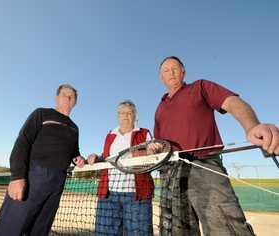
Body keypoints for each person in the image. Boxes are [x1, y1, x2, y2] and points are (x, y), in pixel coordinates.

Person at [151, 56, 279, 235]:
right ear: (161, 78)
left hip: (204, 168)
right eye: (166, 70)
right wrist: (154, 148)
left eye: (175, 68)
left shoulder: (200, 87)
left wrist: (252, 126)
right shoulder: (159, 108)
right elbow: (159, 143)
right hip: (170, 175)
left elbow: (233, 102)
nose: (171, 72)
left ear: (183, 72)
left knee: (225, 228)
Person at [0, 84, 85, 236]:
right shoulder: (41, 113)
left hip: (59, 181)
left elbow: (74, 152)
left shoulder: (75, 128)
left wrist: (78, 158)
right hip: (34, 175)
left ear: (75, 102)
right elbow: (23, 141)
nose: (68, 98)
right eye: (64, 94)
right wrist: (17, 176)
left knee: (40, 230)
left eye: (72, 96)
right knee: (11, 228)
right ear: (57, 97)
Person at [87, 100, 154, 236]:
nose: (125, 115)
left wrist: (141, 153)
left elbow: (153, 154)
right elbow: (107, 157)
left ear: (135, 116)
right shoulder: (110, 135)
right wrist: (96, 157)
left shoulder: (144, 133)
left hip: (136, 196)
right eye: (122, 112)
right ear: (118, 115)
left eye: (129, 113)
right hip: (109, 195)